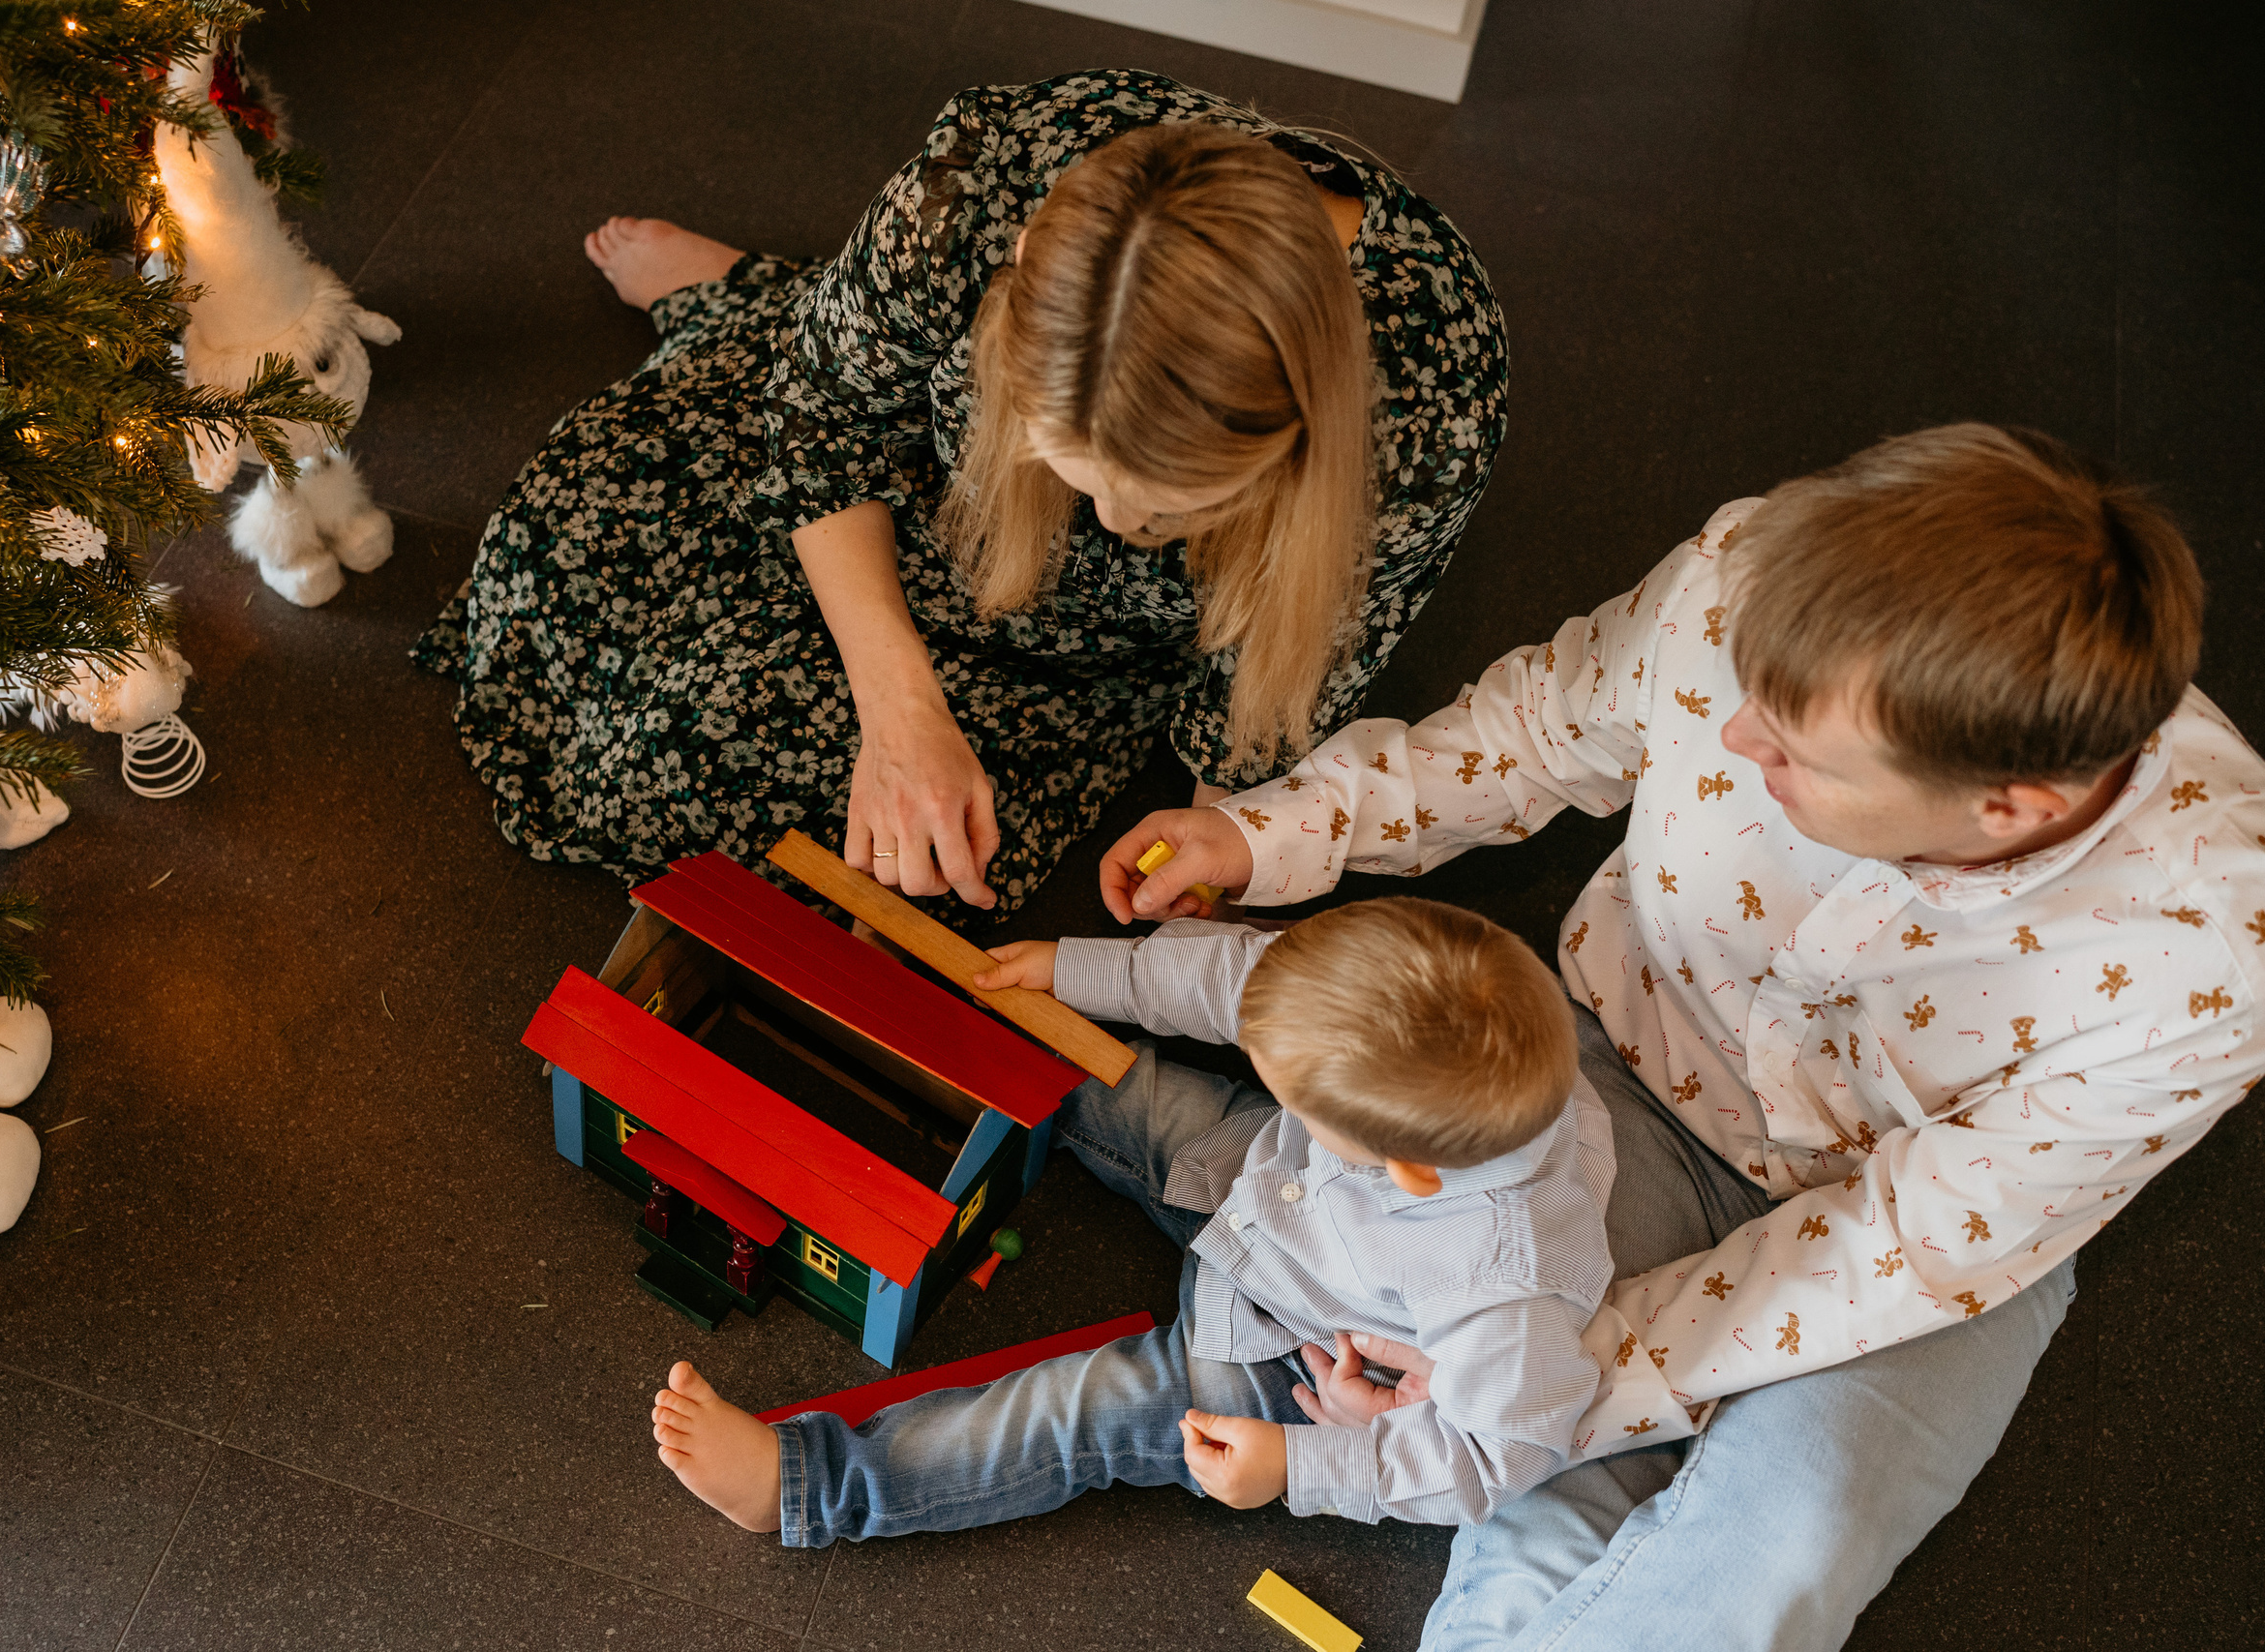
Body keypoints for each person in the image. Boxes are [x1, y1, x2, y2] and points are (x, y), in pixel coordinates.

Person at [1106, 423, 2264, 1649]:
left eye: (1795, 749)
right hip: (1618, 1075)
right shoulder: (1750, 566)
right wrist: (1281, 832)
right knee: (1510, 1432)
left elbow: (1895, 1250)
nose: (1736, 739)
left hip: (1927, 1241)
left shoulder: (2209, 953)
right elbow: (1540, 730)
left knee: (1783, 1538)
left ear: (2008, 809)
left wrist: (1547, 1374)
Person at [412, 70, 1508, 928]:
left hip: (1081, 642)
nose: (1124, 530)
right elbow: (826, 421)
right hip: (938, 496)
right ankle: (765, 298)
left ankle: (798, 299)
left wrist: (1229, 841)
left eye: (1171, 515)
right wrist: (901, 713)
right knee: (555, 558)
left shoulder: (1429, 401)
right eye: (1087, 481)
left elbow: (1290, 661)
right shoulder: (980, 182)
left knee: (764, 821)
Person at [648, 897, 1615, 1544]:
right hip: (1265, 1187)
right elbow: (1241, 979)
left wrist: (1306, 1465)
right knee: (1118, 1084)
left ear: (1400, 1169)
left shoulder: (1504, 1286)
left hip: (1289, 1353)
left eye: (1299, 1092)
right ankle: (981, 1042)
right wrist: (1070, 975)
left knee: (1076, 1413)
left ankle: (809, 1485)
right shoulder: (1441, 1032)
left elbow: (1499, 1458)